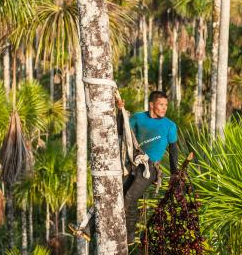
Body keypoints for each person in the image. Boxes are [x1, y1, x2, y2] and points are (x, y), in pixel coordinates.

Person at [70, 90, 179, 244]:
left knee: (129, 198)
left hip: (150, 170)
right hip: (133, 164)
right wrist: (120, 111)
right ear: (151, 105)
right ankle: (88, 230)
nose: (164, 108)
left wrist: (175, 174)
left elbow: (174, 150)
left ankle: (128, 235)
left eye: (166, 105)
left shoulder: (170, 126)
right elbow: (121, 129)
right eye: (161, 105)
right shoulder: (138, 118)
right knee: (113, 193)